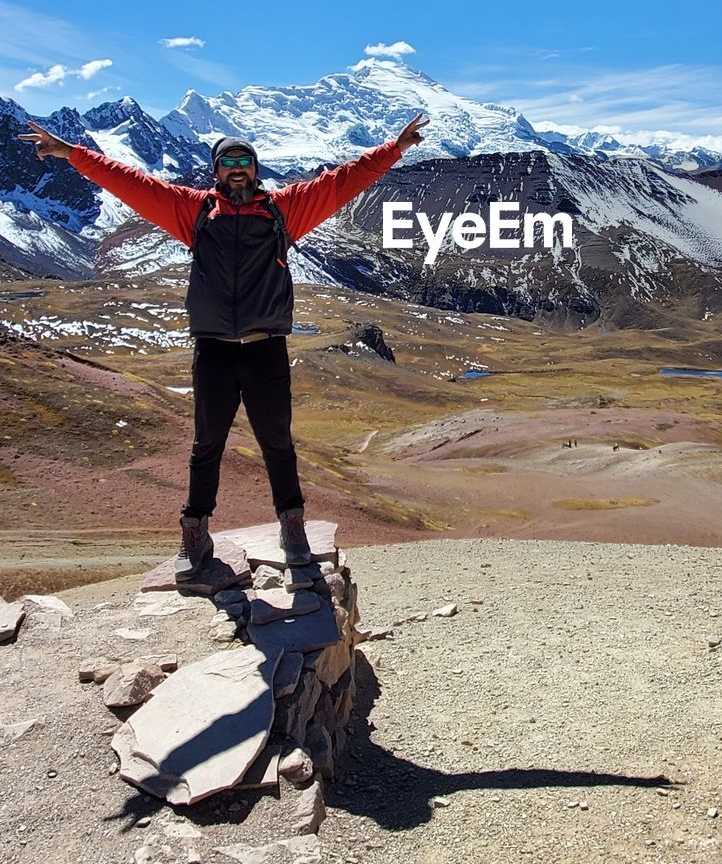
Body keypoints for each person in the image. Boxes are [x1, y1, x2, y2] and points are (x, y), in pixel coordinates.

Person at [17, 111, 429, 578]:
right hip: (213, 348)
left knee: (277, 443)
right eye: (229, 162)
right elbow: (131, 182)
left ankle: (292, 528)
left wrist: (393, 150)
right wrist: (72, 154)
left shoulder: (283, 210)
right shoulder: (192, 211)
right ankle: (194, 532)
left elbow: (341, 183)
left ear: (256, 169)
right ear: (216, 171)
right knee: (206, 444)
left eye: (246, 161)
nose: (238, 169)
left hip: (264, 347)